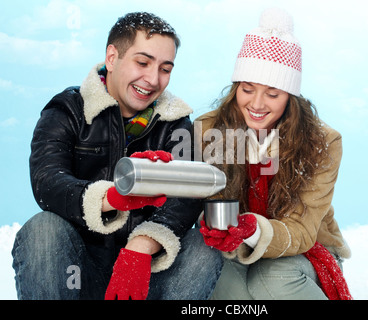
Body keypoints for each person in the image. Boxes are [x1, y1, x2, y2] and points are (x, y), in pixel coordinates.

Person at [12, 12, 222, 300]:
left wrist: (143, 245)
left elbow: (186, 198)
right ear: (112, 57)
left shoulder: (175, 123)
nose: (152, 79)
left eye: (165, 68)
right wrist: (109, 199)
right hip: (79, 273)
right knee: (42, 230)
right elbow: (48, 180)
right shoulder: (68, 110)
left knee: (203, 246)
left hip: (145, 275)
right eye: (142, 62)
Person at [197, 8, 352, 300]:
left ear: (290, 97)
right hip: (233, 248)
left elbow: (302, 231)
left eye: (273, 93)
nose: (256, 104)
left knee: (271, 278)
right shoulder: (208, 130)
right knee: (225, 281)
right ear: (236, 88)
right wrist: (226, 231)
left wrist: (252, 229)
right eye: (247, 88)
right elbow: (209, 204)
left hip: (305, 250)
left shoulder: (322, 141)